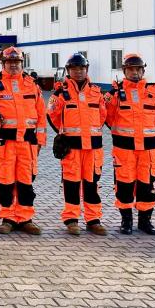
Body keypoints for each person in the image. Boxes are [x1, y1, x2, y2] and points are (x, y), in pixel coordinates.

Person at [0, 46, 46, 235]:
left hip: (27, 143)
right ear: (3, 64)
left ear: (22, 63)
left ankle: (25, 219)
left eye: (17, 62)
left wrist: (40, 141)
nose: (13, 65)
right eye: (9, 62)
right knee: (4, 181)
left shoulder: (32, 86)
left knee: (26, 181)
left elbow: (41, 115)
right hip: (4, 143)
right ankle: (8, 218)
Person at [47, 53, 108, 236]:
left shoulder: (97, 93)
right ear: (69, 71)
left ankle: (93, 220)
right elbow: (52, 116)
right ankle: (72, 220)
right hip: (71, 148)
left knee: (92, 184)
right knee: (71, 184)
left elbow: (103, 116)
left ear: (86, 69)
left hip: (93, 149)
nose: (78, 71)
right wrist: (63, 135)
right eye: (74, 68)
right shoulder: (60, 93)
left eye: (82, 68)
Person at [104, 53, 155, 235]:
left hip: (149, 149)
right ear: (124, 71)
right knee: (124, 185)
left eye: (138, 69)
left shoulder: (154, 92)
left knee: (147, 186)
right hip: (124, 149)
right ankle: (126, 220)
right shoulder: (115, 94)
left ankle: (145, 221)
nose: (135, 72)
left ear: (143, 71)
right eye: (131, 69)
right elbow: (108, 117)